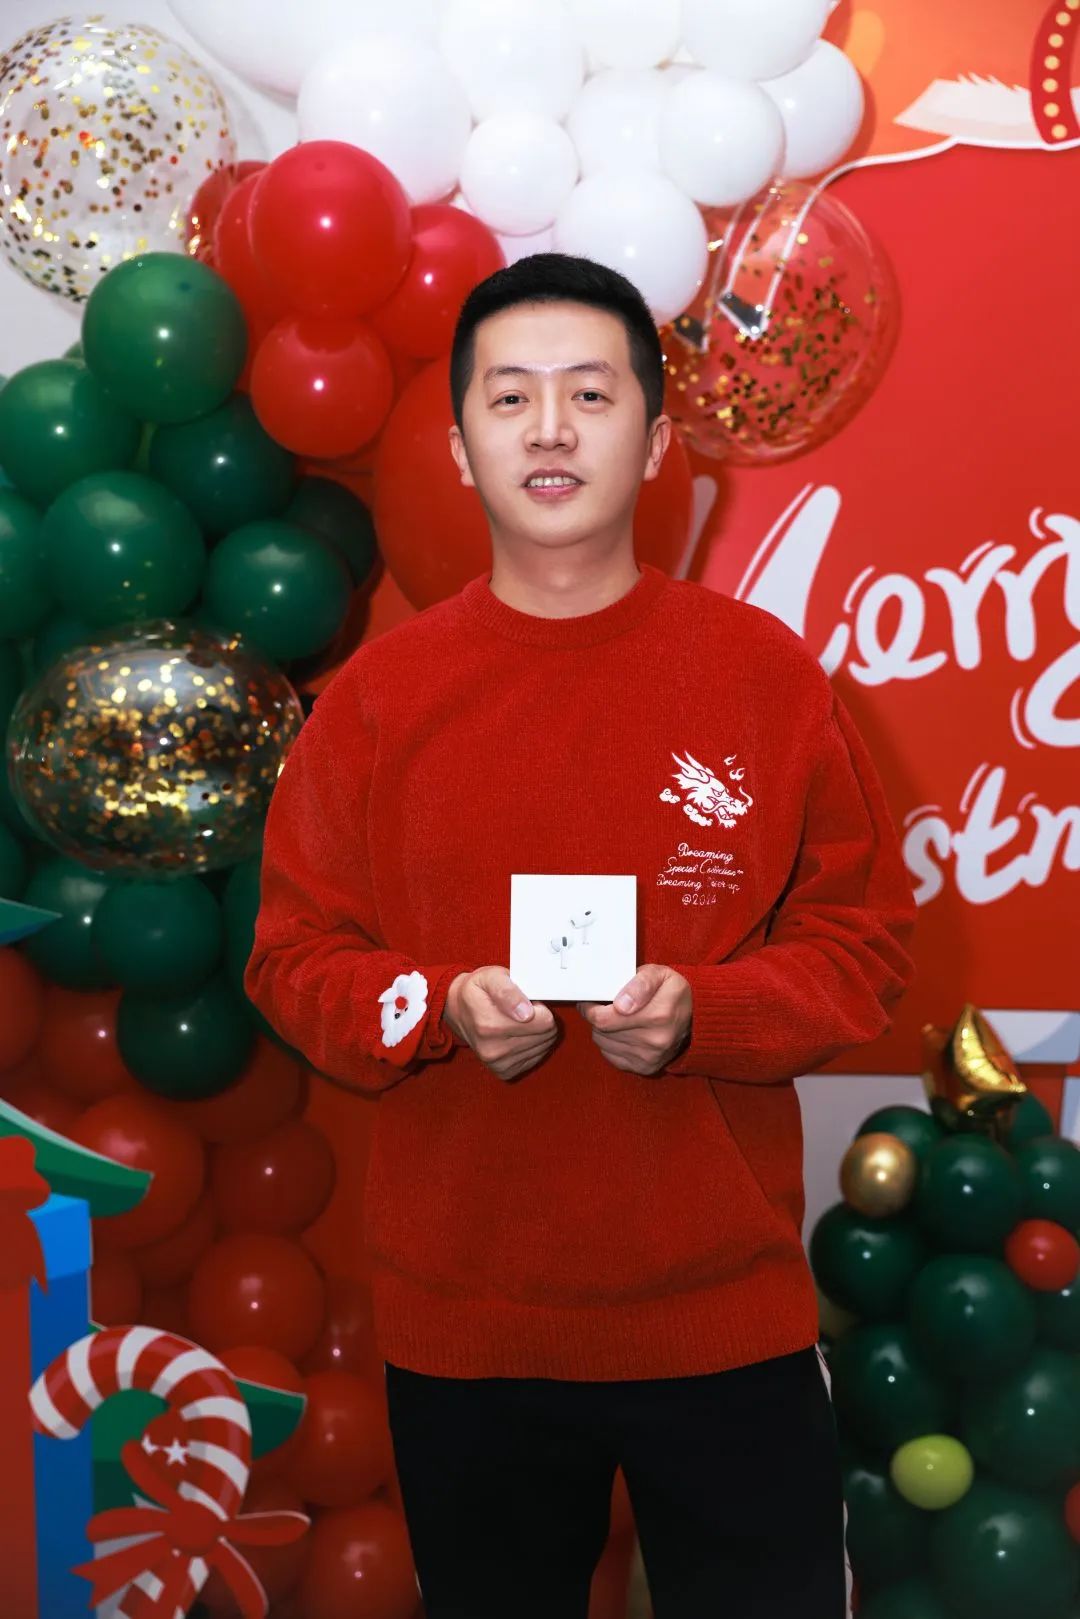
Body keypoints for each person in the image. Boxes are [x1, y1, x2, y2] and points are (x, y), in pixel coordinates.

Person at [244, 253, 917, 1619]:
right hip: (467, 1331)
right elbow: (295, 961)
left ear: (657, 440)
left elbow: (863, 953)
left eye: (591, 394)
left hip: (724, 1319)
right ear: (461, 446)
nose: (550, 429)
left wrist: (706, 1015)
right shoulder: (377, 702)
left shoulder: (765, 680)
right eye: (510, 398)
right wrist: (433, 1008)